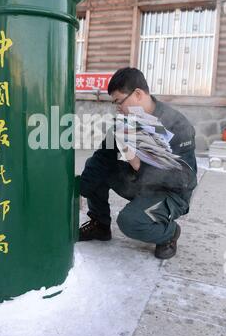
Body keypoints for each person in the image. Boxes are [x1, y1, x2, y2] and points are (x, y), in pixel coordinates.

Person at [79, 67, 197, 259]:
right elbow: (102, 158)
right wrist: (81, 190)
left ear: (138, 94)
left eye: (119, 102)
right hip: (140, 183)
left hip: (171, 194)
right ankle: (100, 225)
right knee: (97, 167)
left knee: (130, 222)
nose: (118, 108)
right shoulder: (126, 121)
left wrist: (140, 165)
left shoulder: (177, 125)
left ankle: (170, 232)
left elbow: (186, 180)